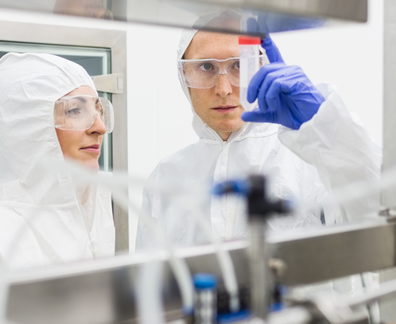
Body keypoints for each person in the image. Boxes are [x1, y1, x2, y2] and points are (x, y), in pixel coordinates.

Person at [136, 25, 381, 249]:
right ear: (184, 76)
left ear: (262, 68)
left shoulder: (313, 160)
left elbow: (378, 226)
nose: (223, 89)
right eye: (206, 67)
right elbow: (147, 284)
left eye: (240, 66)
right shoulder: (166, 177)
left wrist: (328, 130)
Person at [0, 53, 115, 279]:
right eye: (75, 110)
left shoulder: (95, 213)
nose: (100, 127)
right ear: (30, 127)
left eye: (99, 110)